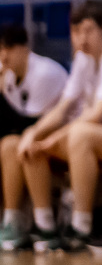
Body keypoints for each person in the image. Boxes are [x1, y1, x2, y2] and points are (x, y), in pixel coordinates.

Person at [10, 2, 102, 251]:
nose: (82, 38)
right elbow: (63, 108)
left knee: (79, 134)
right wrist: (33, 133)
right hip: (96, 133)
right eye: (76, 31)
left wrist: (54, 138)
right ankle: (45, 226)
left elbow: (98, 113)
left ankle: (81, 226)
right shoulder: (83, 58)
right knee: (30, 145)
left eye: (88, 30)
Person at [0, 24, 68, 249]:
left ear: (24, 48)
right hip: (35, 133)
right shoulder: (9, 75)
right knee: (9, 145)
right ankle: (12, 221)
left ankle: (45, 225)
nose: (3, 55)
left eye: (8, 48)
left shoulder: (43, 73)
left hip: (64, 133)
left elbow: (28, 123)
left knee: (25, 146)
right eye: (0, 49)